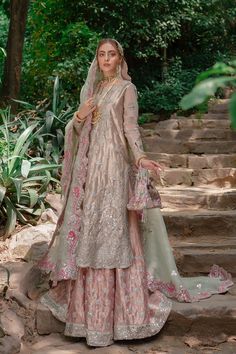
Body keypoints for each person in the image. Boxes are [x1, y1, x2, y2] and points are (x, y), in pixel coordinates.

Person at [38, 38, 233, 347]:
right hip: (92, 173)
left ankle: (122, 318)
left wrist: (140, 158)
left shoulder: (127, 90)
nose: (105, 59)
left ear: (120, 59)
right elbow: (76, 134)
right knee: (92, 234)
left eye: (111, 54)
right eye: (101, 54)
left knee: (114, 237)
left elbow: (130, 131)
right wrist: (78, 116)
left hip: (115, 170)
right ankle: (87, 321)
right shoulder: (91, 92)